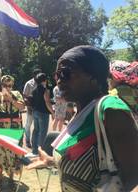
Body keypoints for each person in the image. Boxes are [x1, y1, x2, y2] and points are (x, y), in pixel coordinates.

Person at [27, 45, 138, 191]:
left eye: (65, 73)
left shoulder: (110, 109)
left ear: (93, 75)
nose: (59, 80)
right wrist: (52, 161)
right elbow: (90, 162)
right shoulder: (80, 113)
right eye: (57, 75)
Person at [0, 75, 25, 190]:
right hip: (0, 129)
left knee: (12, 154)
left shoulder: (17, 94)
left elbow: (22, 107)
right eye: (5, 85)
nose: (7, 87)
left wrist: (11, 99)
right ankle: (0, 179)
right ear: (1, 85)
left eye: (9, 85)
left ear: (12, 85)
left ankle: (12, 179)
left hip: (13, 129)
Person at [29, 73, 54, 156]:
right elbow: (47, 102)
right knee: (43, 132)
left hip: (35, 112)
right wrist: (52, 112)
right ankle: (41, 151)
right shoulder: (45, 90)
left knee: (36, 131)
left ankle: (34, 150)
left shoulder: (34, 90)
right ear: (44, 80)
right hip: (43, 113)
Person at [22, 68, 42, 148]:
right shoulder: (29, 84)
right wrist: (29, 104)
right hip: (31, 107)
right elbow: (24, 96)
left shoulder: (42, 83)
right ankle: (27, 140)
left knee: (38, 126)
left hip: (40, 108)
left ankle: (36, 142)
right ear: (34, 75)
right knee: (28, 124)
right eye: (38, 75)